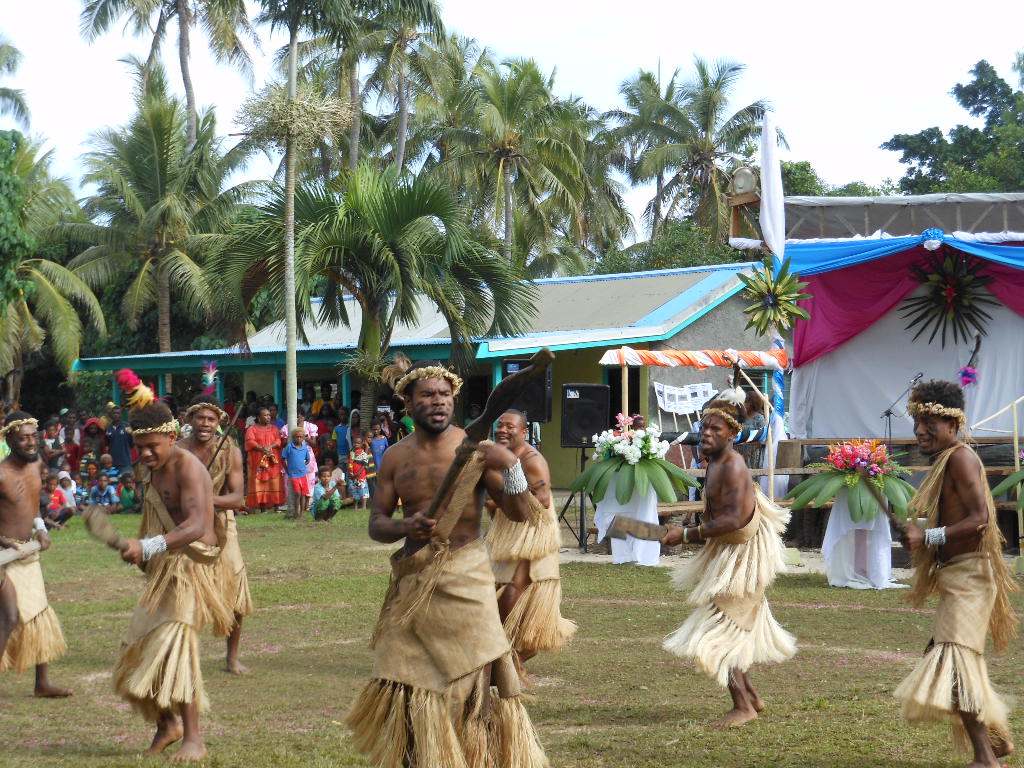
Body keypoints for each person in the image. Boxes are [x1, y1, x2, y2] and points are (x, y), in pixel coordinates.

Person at [347, 360, 548, 768]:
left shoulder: (477, 451)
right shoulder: (394, 457)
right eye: (427, 395)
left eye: (444, 395)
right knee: (402, 683)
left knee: (472, 685)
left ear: (453, 399)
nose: (437, 402)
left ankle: (472, 754)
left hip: (467, 576)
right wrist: (407, 524)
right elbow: (377, 525)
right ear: (408, 401)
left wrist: (510, 466)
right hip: (414, 582)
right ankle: (414, 755)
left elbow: (521, 512)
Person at [894, 380, 1018, 767]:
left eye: (929, 421)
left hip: (971, 577)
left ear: (953, 423)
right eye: (917, 421)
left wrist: (926, 534)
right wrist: (917, 531)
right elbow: (955, 516)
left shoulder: (961, 457)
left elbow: (980, 520)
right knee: (947, 661)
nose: (919, 430)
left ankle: (986, 758)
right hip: (958, 574)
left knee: (953, 662)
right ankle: (996, 741)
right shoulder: (949, 460)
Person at [111, 378, 233, 762]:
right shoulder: (151, 468)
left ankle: (194, 738)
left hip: (192, 567)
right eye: (140, 447)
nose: (145, 454)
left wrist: (148, 546)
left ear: (169, 436)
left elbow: (198, 525)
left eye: (152, 446)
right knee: (136, 652)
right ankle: (167, 724)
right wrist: (142, 552)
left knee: (178, 651)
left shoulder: (188, 468)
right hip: (164, 565)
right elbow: (153, 517)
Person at [660, 389, 796, 727]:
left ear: (733, 434)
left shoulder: (731, 466)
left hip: (742, 556)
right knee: (732, 623)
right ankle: (751, 698)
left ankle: (743, 707)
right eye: (704, 427)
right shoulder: (719, 462)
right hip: (732, 550)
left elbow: (734, 520)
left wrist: (688, 534)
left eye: (715, 430)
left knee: (724, 628)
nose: (706, 434)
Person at [489, 409, 575, 673]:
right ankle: (503, 654)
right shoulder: (497, 457)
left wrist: (500, 501)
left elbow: (542, 501)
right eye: (499, 425)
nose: (502, 430)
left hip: (534, 532)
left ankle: (514, 657)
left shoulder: (531, 460)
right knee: (496, 588)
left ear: (524, 432)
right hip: (508, 530)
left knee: (516, 590)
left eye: (509, 426)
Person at [179, 394, 255, 676]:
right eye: (200, 418)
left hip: (223, 523)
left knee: (235, 588)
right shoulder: (178, 451)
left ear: (219, 422)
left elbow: (236, 497)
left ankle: (232, 657)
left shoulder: (230, 452)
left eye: (211, 419)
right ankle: (184, 656)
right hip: (186, 524)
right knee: (185, 590)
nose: (205, 424)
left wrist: (206, 498)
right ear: (190, 420)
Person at [0, 411, 71, 697]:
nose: (30, 443)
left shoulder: (37, 465)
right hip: (3, 558)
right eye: (23, 438)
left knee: (40, 614)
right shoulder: (1, 474)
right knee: (9, 616)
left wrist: (40, 527)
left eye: (33, 437)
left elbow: (31, 506)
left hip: (26, 552)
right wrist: (3, 540)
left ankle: (41, 683)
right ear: (9, 440)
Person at [244, 407, 285, 514]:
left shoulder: (274, 428)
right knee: (260, 483)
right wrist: (262, 448)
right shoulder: (252, 429)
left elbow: (278, 440)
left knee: (274, 482)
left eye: (269, 415)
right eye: (265, 415)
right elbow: (250, 442)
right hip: (259, 461)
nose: (268, 417)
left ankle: (277, 508)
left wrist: (270, 447)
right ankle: (262, 509)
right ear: (259, 417)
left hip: (272, 459)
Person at [281, 428, 312, 519]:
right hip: (294, 475)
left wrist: (302, 465)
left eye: (300, 437)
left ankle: (301, 514)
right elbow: (283, 458)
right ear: (293, 437)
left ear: (303, 438)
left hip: (303, 474)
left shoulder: (304, 448)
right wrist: (287, 469)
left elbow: (308, 459)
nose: (298, 439)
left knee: (303, 494)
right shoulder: (289, 447)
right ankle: (295, 513)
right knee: (297, 493)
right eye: (296, 437)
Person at [105, 406, 134, 478]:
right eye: (114, 413)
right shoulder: (108, 428)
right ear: (111, 415)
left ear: (121, 415)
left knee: (126, 486)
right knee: (114, 486)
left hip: (125, 463)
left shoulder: (127, 426)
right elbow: (107, 444)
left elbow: (132, 443)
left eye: (118, 413)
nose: (116, 415)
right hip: (112, 464)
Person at [347, 436, 372, 511]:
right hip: (352, 476)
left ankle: (364, 507)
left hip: (360, 476)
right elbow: (350, 463)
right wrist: (351, 473)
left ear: (361, 444)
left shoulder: (363, 454)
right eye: (354, 443)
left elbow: (364, 465)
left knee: (363, 491)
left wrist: (358, 473)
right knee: (354, 492)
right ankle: (355, 507)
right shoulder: (352, 453)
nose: (356, 444)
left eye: (358, 443)